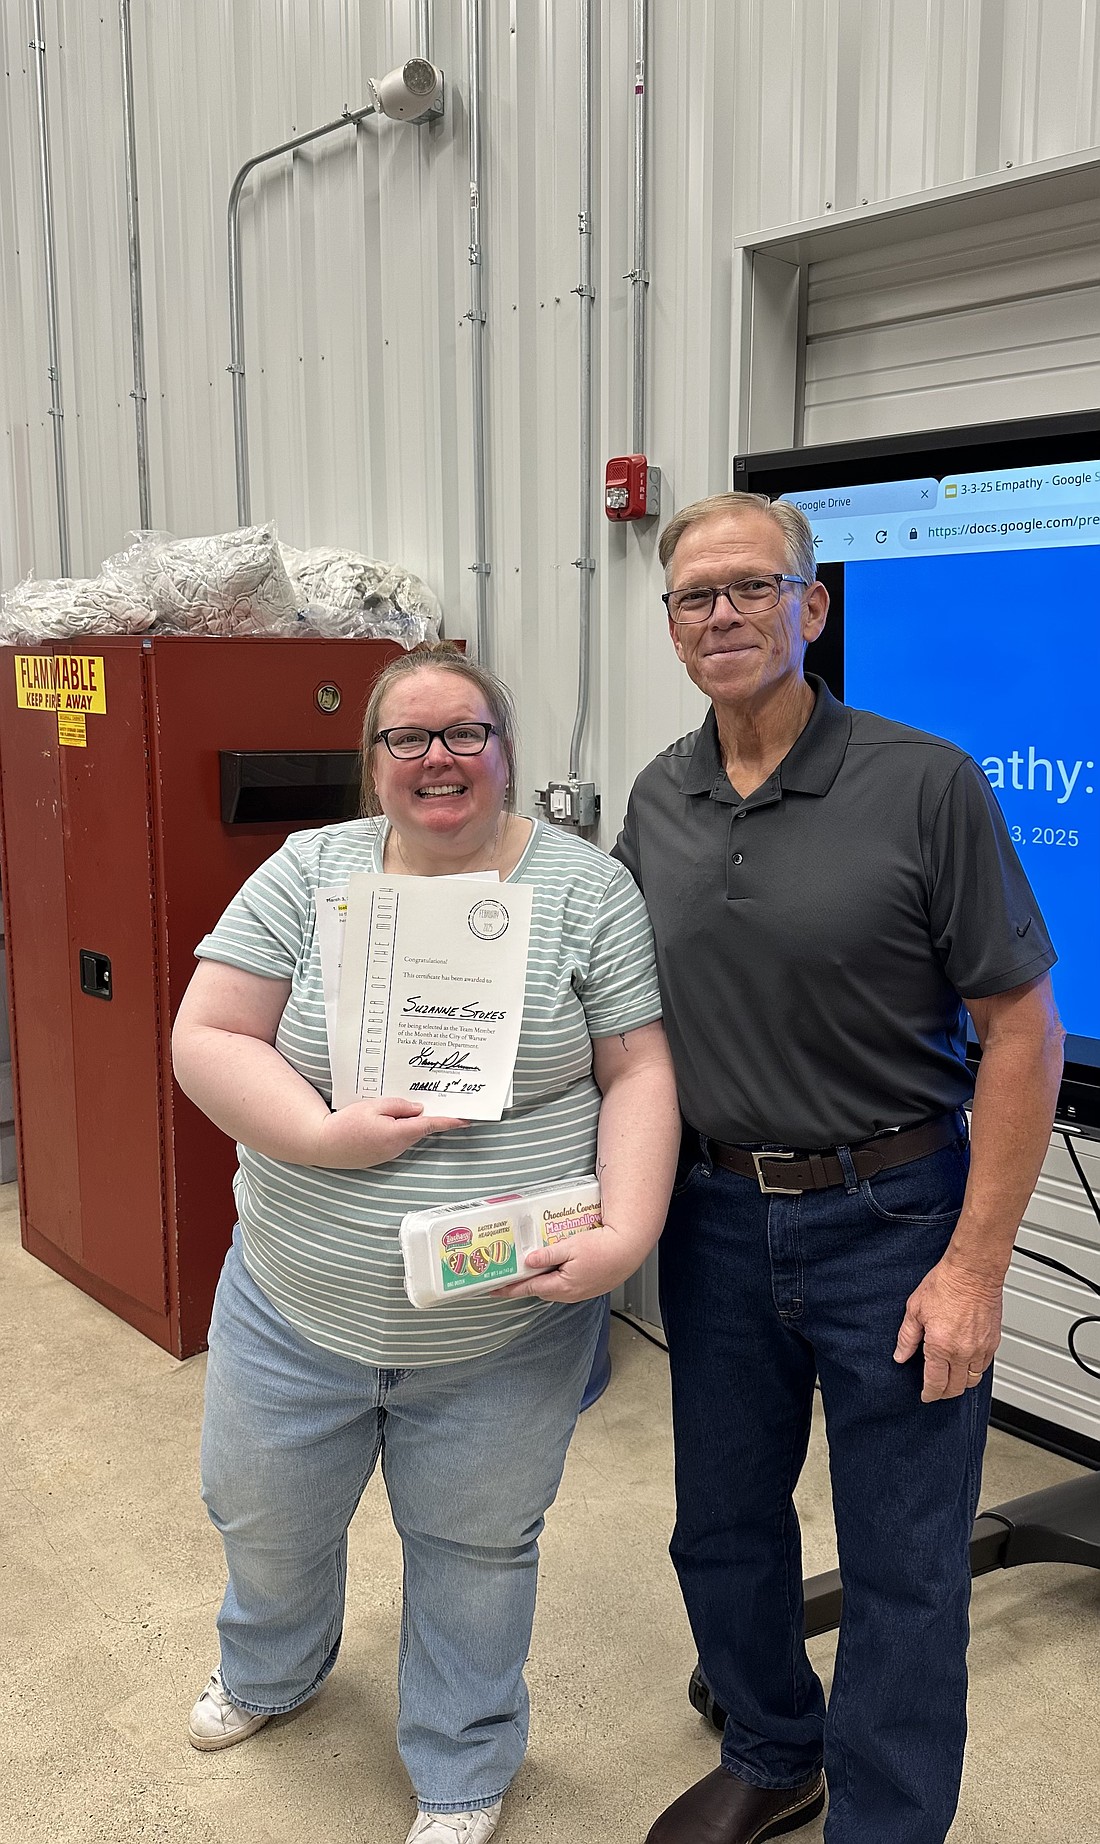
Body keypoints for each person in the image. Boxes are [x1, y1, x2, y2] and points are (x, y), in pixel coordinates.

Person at [613, 492, 1065, 1844]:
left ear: (814, 609)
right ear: (675, 628)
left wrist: (975, 1264)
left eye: (755, 588)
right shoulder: (660, 794)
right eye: (698, 596)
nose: (726, 615)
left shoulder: (925, 782)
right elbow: (619, 1019)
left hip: (897, 1220)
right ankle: (773, 1748)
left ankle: (884, 1821)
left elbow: (1025, 1035)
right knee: (723, 1528)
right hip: (709, 1220)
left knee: (906, 1563)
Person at [172, 643, 680, 1844]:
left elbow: (638, 1068)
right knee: (262, 1510)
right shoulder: (309, 872)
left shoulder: (588, 889)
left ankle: (460, 1765)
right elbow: (208, 1032)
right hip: (296, 1299)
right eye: (408, 737)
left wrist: (628, 1233)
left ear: (507, 753)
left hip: (503, 1319)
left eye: (465, 733)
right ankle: (270, 1668)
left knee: (475, 1545)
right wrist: (317, 1133)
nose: (437, 757)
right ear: (374, 763)